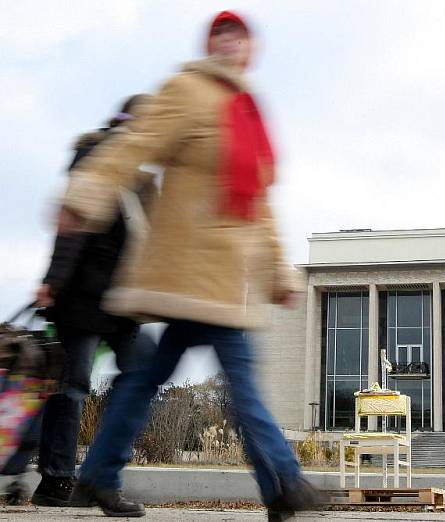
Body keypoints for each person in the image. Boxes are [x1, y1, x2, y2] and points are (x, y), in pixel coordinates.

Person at [58, 11, 318, 519]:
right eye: (221, 33)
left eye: (239, 35)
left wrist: (276, 274)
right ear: (210, 43)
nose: (230, 42)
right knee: (241, 381)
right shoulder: (187, 89)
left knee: (148, 375)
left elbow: (258, 207)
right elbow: (133, 145)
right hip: (187, 268)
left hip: (223, 275)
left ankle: (97, 475)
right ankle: (284, 484)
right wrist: (84, 195)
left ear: (251, 49)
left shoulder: (247, 111)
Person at [0, 96, 156, 506]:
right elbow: (71, 230)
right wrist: (52, 281)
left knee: (142, 373)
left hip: (123, 301)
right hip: (81, 297)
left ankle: (100, 476)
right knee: (72, 388)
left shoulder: (142, 175)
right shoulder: (95, 157)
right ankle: (57, 480)